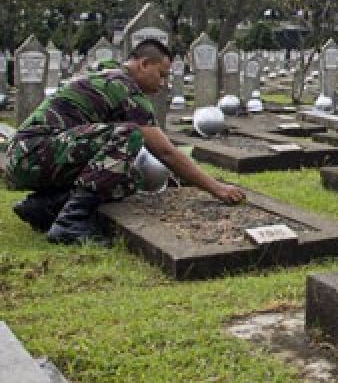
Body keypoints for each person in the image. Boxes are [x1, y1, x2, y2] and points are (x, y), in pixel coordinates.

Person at [4, 38, 245, 246]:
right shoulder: (126, 89)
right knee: (127, 134)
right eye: (161, 75)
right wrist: (218, 188)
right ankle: (70, 222)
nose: (162, 84)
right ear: (143, 64)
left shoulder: (107, 72)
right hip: (36, 152)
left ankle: (42, 206)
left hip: (31, 156)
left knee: (125, 176)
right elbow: (166, 153)